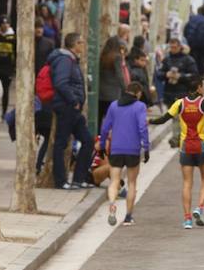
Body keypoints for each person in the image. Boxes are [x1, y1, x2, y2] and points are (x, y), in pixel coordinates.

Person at [151, 77, 204, 228]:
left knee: (187, 183)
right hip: (203, 147)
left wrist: (149, 121)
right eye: (203, 86)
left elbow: (164, 119)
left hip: (186, 148)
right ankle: (200, 208)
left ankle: (187, 219)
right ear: (198, 88)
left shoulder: (180, 104)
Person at [98, 81, 150, 227]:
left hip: (116, 149)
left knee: (114, 181)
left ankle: (112, 204)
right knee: (132, 183)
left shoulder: (114, 105)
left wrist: (102, 146)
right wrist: (146, 147)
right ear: (138, 93)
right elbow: (142, 128)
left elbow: (105, 128)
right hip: (133, 150)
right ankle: (128, 216)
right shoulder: (140, 106)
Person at [47, 33, 95, 190]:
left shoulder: (72, 60)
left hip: (73, 109)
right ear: (74, 44)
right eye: (81, 42)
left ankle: (78, 179)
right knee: (61, 144)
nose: (83, 45)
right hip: (67, 107)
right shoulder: (65, 60)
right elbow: (61, 83)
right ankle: (61, 181)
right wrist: (73, 101)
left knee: (88, 140)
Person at [98, 36, 129, 128]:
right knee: (112, 120)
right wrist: (125, 89)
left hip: (101, 93)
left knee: (99, 118)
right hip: (113, 93)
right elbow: (120, 75)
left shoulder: (102, 56)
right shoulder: (117, 57)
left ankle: (99, 138)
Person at [0, 15, 16, 117]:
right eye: (3, 23)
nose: (5, 25)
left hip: (8, 68)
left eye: (7, 23)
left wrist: (14, 68)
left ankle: (4, 112)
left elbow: (16, 53)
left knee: (5, 90)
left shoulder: (13, 37)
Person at [184, 4, 204, 76]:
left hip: (190, 50)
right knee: (198, 74)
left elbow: (185, 31)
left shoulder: (191, 19)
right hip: (199, 54)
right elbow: (202, 40)